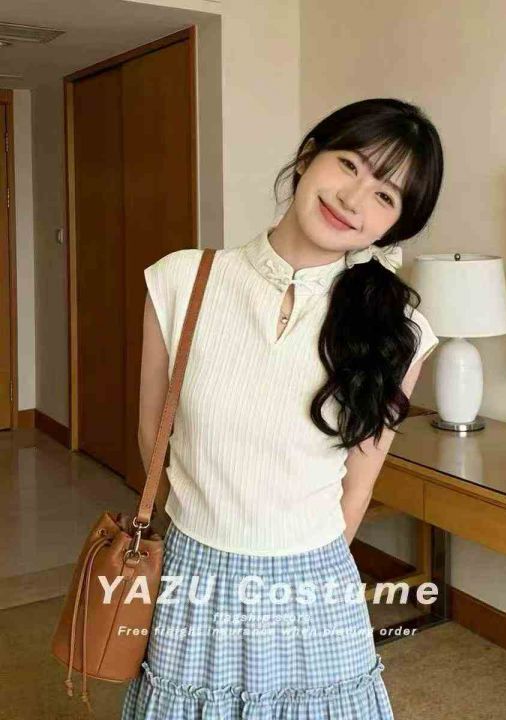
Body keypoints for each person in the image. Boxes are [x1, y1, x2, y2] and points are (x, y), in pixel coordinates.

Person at [121, 97, 444, 719]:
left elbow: (358, 487)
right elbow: (152, 435)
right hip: (194, 567)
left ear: (393, 226)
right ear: (307, 156)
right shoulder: (181, 280)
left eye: (385, 195)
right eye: (349, 164)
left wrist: (299, 577)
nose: (353, 198)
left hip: (314, 582)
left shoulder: (399, 332)